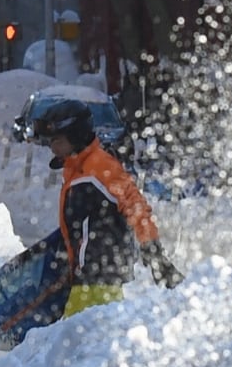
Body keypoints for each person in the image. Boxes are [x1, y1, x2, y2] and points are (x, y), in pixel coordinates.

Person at [34, 99, 182, 315]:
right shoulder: (77, 169)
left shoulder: (100, 168)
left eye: (56, 141)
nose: (52, 148)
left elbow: (135, 205)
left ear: (76, 137)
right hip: (87, 276)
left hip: (100, 276)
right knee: (75, 342)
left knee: (79, 343)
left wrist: (153, 251)